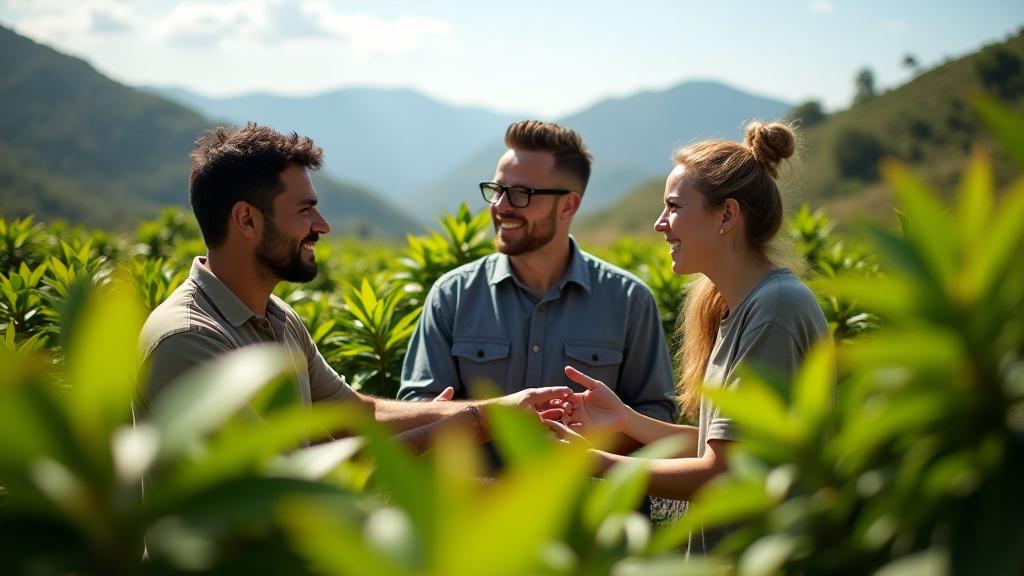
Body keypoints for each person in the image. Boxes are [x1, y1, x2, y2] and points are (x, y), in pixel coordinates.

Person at [138, 124, 570, 452]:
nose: (322, 226)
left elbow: (360, 414)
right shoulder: (189, 340)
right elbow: (291, 486)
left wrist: (500, 410)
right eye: (305, 210)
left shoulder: (279, 319)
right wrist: (472, 423)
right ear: (247, 220)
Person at [548, 121, 831, 555]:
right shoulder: (737, 306)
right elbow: (715, 448)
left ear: (726, 216)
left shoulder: (774, 310)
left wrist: (599, 464)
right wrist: (626, 420)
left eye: (674, 207)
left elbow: (724, 473)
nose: (660, 223)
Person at [398, 120, 677, 437]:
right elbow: (415, 407)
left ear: (568, 205)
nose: (501, 206)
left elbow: (656, 415)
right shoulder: (452, 296)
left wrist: (588, 449)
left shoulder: (629, 301)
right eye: (497, 190)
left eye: (520, 194)